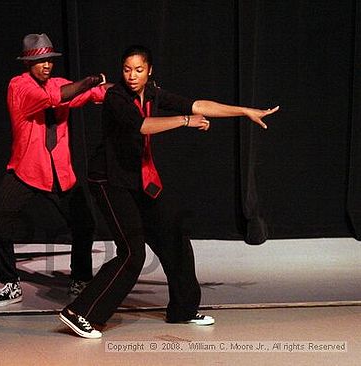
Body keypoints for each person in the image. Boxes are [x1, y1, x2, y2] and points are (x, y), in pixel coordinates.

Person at [59, 45, 279, 338]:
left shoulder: (152, 93)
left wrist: (243, 111)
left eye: (138, 70)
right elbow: (143, 126)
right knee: (132, 253)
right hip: (109, 182)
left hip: (139, 180)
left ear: (149, 71)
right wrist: (185, 122)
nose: (132, 76)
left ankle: (183, 309)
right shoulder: (115, 97)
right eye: (127, 69)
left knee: (173, 235)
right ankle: (79, 312)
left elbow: (197, 105)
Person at [0, 34, 112, 308]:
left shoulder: (59, 82)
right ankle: (10, 283)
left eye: (49, 60)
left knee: (84, 224)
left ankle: (80, 279)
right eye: (40, 60)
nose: (46, 65)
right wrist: (89, 81)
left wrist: (131, 90)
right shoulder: (19, 86)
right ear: (28, 62)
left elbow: (96, 93)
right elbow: (53, 98)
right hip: (26, 169)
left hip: (60, 171)